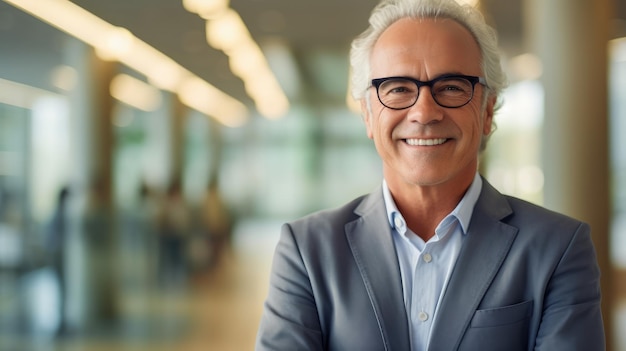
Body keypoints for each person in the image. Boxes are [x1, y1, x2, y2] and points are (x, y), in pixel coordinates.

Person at [255, 0, 605, 350]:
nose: (424, 112)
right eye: (398, 88)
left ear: (486, 111)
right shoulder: (307, 250)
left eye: (452, 87)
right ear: (367, 114)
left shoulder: (557, 248)